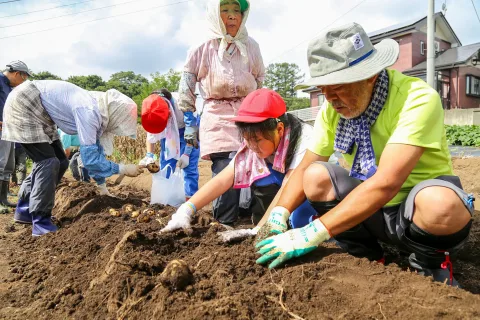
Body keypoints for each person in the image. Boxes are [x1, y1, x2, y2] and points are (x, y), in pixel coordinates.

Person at [255, 23, 474, 287]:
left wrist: (311, 233)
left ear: (369, 75)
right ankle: (363, 253)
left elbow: (387, 182)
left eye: (336, 86)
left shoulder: (416, 98)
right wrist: (279, 214)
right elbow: (305, 168)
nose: (328, 97)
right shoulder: (331, 111)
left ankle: (430, 263)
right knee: (315, 177)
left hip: (414, 211)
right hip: (371, 212)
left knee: (440, 203)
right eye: (321, 87)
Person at [160, 89, 326, 234]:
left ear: (280, 129)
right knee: (262, 175)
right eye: (247, 139)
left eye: (257, 140)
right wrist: (187, 209)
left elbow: (290, 186)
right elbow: (223, 179)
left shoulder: (306, 140)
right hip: (283, 192)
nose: (252, 146)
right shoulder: (253, 145)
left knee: (300, 221)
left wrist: (260, 230)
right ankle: (268, 222)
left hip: (315, 191)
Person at [2, 80, 144, 236]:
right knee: (48, 162)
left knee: (61, 161)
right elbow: (89, 160)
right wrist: (122, 169)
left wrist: (103, 188)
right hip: (26, 102)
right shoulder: (89, 112)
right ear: (116, 116)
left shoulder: (101, 109)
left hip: (42, 112)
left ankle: (24, 210)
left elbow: (96, 152)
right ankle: (40, 220)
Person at [177, 0, 265, 225]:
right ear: (215, 15)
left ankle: (257, 221)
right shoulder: (202, 47)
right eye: (225, 10)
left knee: (258, 165)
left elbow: (260, 80)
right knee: (226, 166)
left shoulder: (251, 46)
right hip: (217, 113)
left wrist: (261, 112)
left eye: (237, 10)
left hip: (248, 114)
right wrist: (189, 121)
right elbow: (187, 83)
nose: (232, 16)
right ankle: (224, 223)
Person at [140, 89, 199, 199]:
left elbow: (192, 130)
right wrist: (149, 155)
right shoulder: (152, 108)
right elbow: (151, 134)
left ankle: (190, 201)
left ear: (169, 112)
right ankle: (169, 198)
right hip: (169, 134)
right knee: (167, 165)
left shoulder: (184, 105)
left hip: (188, 130)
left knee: (188, 167)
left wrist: (186, 153)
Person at [0, 60, 32, 213]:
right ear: (17, 73)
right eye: (23, 78)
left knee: (8, 164)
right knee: (0, 163)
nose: (23, 82)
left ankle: (4, 196)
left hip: (8, 130)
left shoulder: (8, 87)